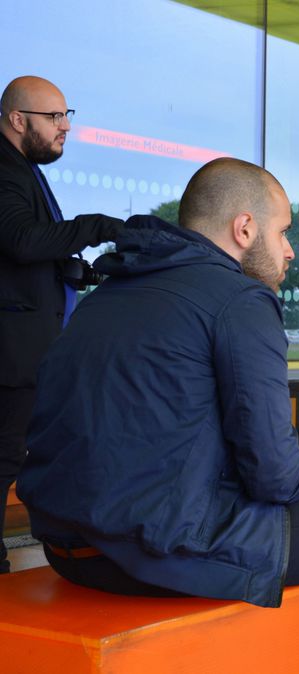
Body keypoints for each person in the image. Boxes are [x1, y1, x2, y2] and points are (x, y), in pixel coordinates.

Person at [16, 158, 299, 673]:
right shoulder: (239, 299)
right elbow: (273, 475)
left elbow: (156, 430)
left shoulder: (105, 296)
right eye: (283, 232)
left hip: (67, 551)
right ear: (244, 228)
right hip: (152, 550)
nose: (289, 249)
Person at [0, 76, 123, 574]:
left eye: (66, 115)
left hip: (29, 347)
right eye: (54, 117)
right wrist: (96, 226)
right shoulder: (4, 168)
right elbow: (20, 240)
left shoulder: (21, 168)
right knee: (6, 457)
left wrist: (77, 270)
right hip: (12, 351)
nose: (65, 127)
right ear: (17, 119)